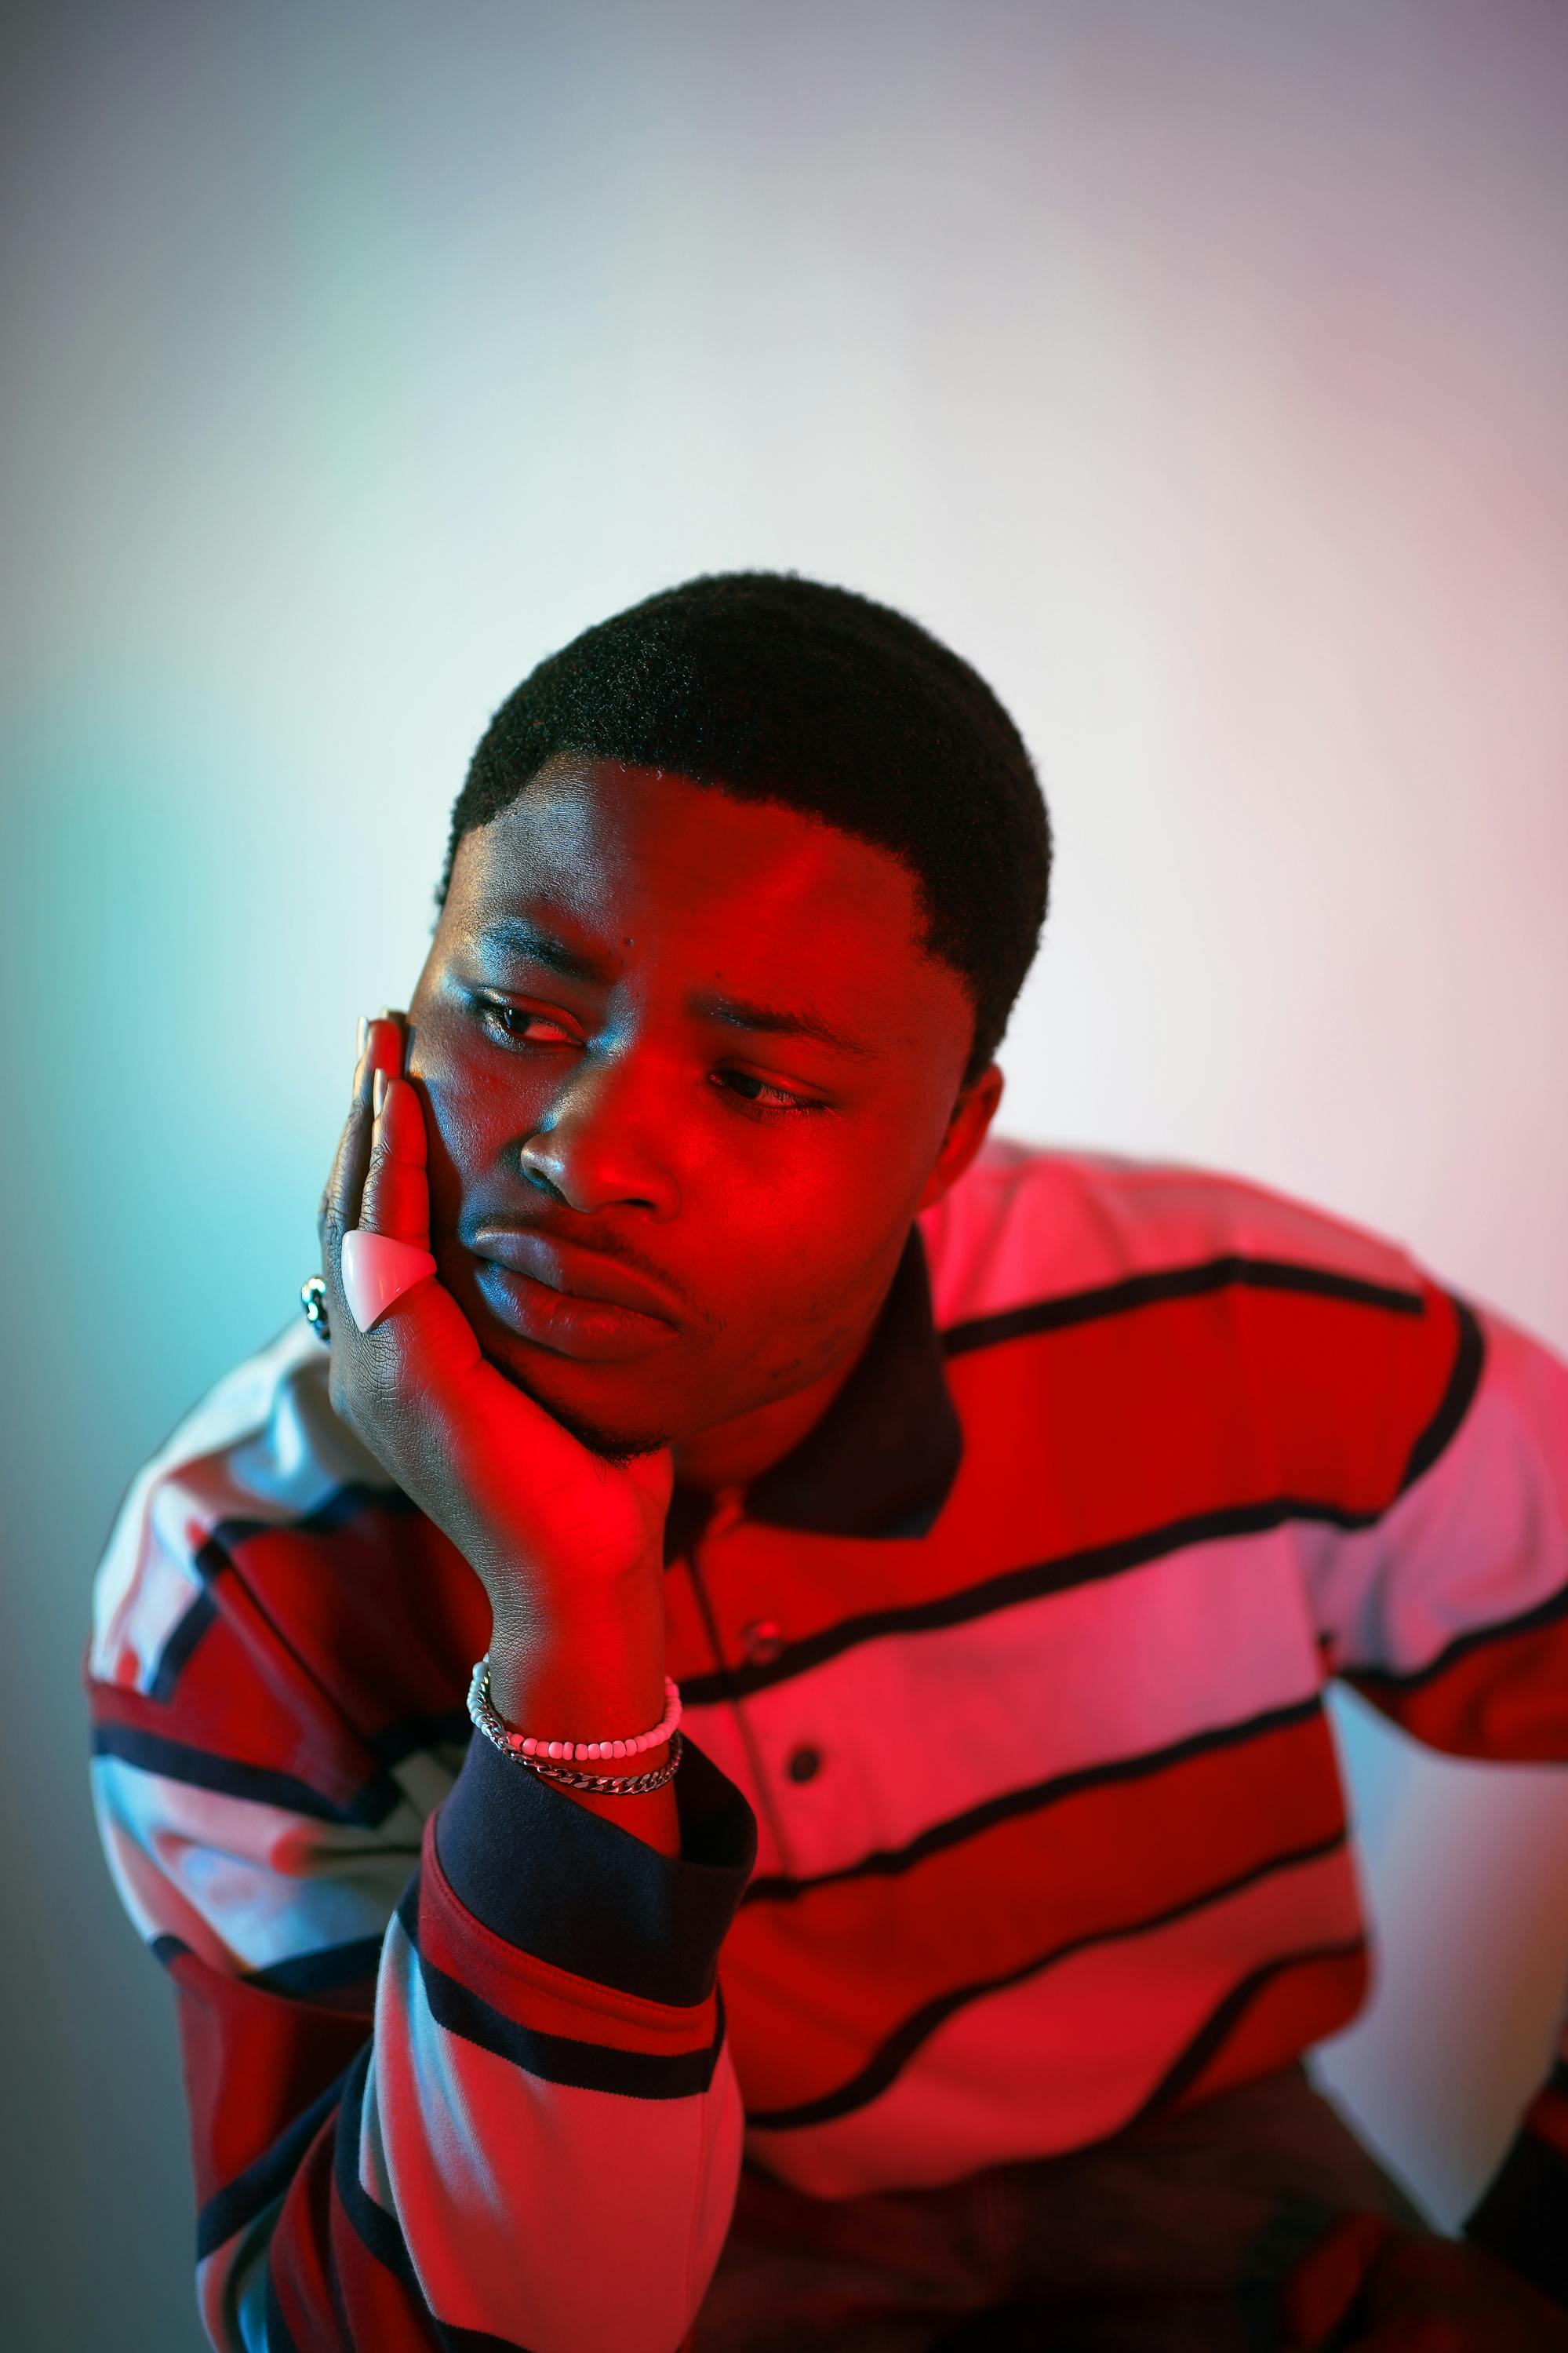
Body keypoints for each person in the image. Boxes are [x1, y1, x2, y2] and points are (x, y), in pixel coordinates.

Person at [86, 572, 1568, 2353]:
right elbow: (435, 2335)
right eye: (521, 1015)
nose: (585, 1152)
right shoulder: (246, 1570)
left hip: (1218, 2193)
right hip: (683, 2266)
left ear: (953, 1140)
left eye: (757, 1085)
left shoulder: (1248, 1329)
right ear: (394, 1025)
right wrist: (565, 1635)